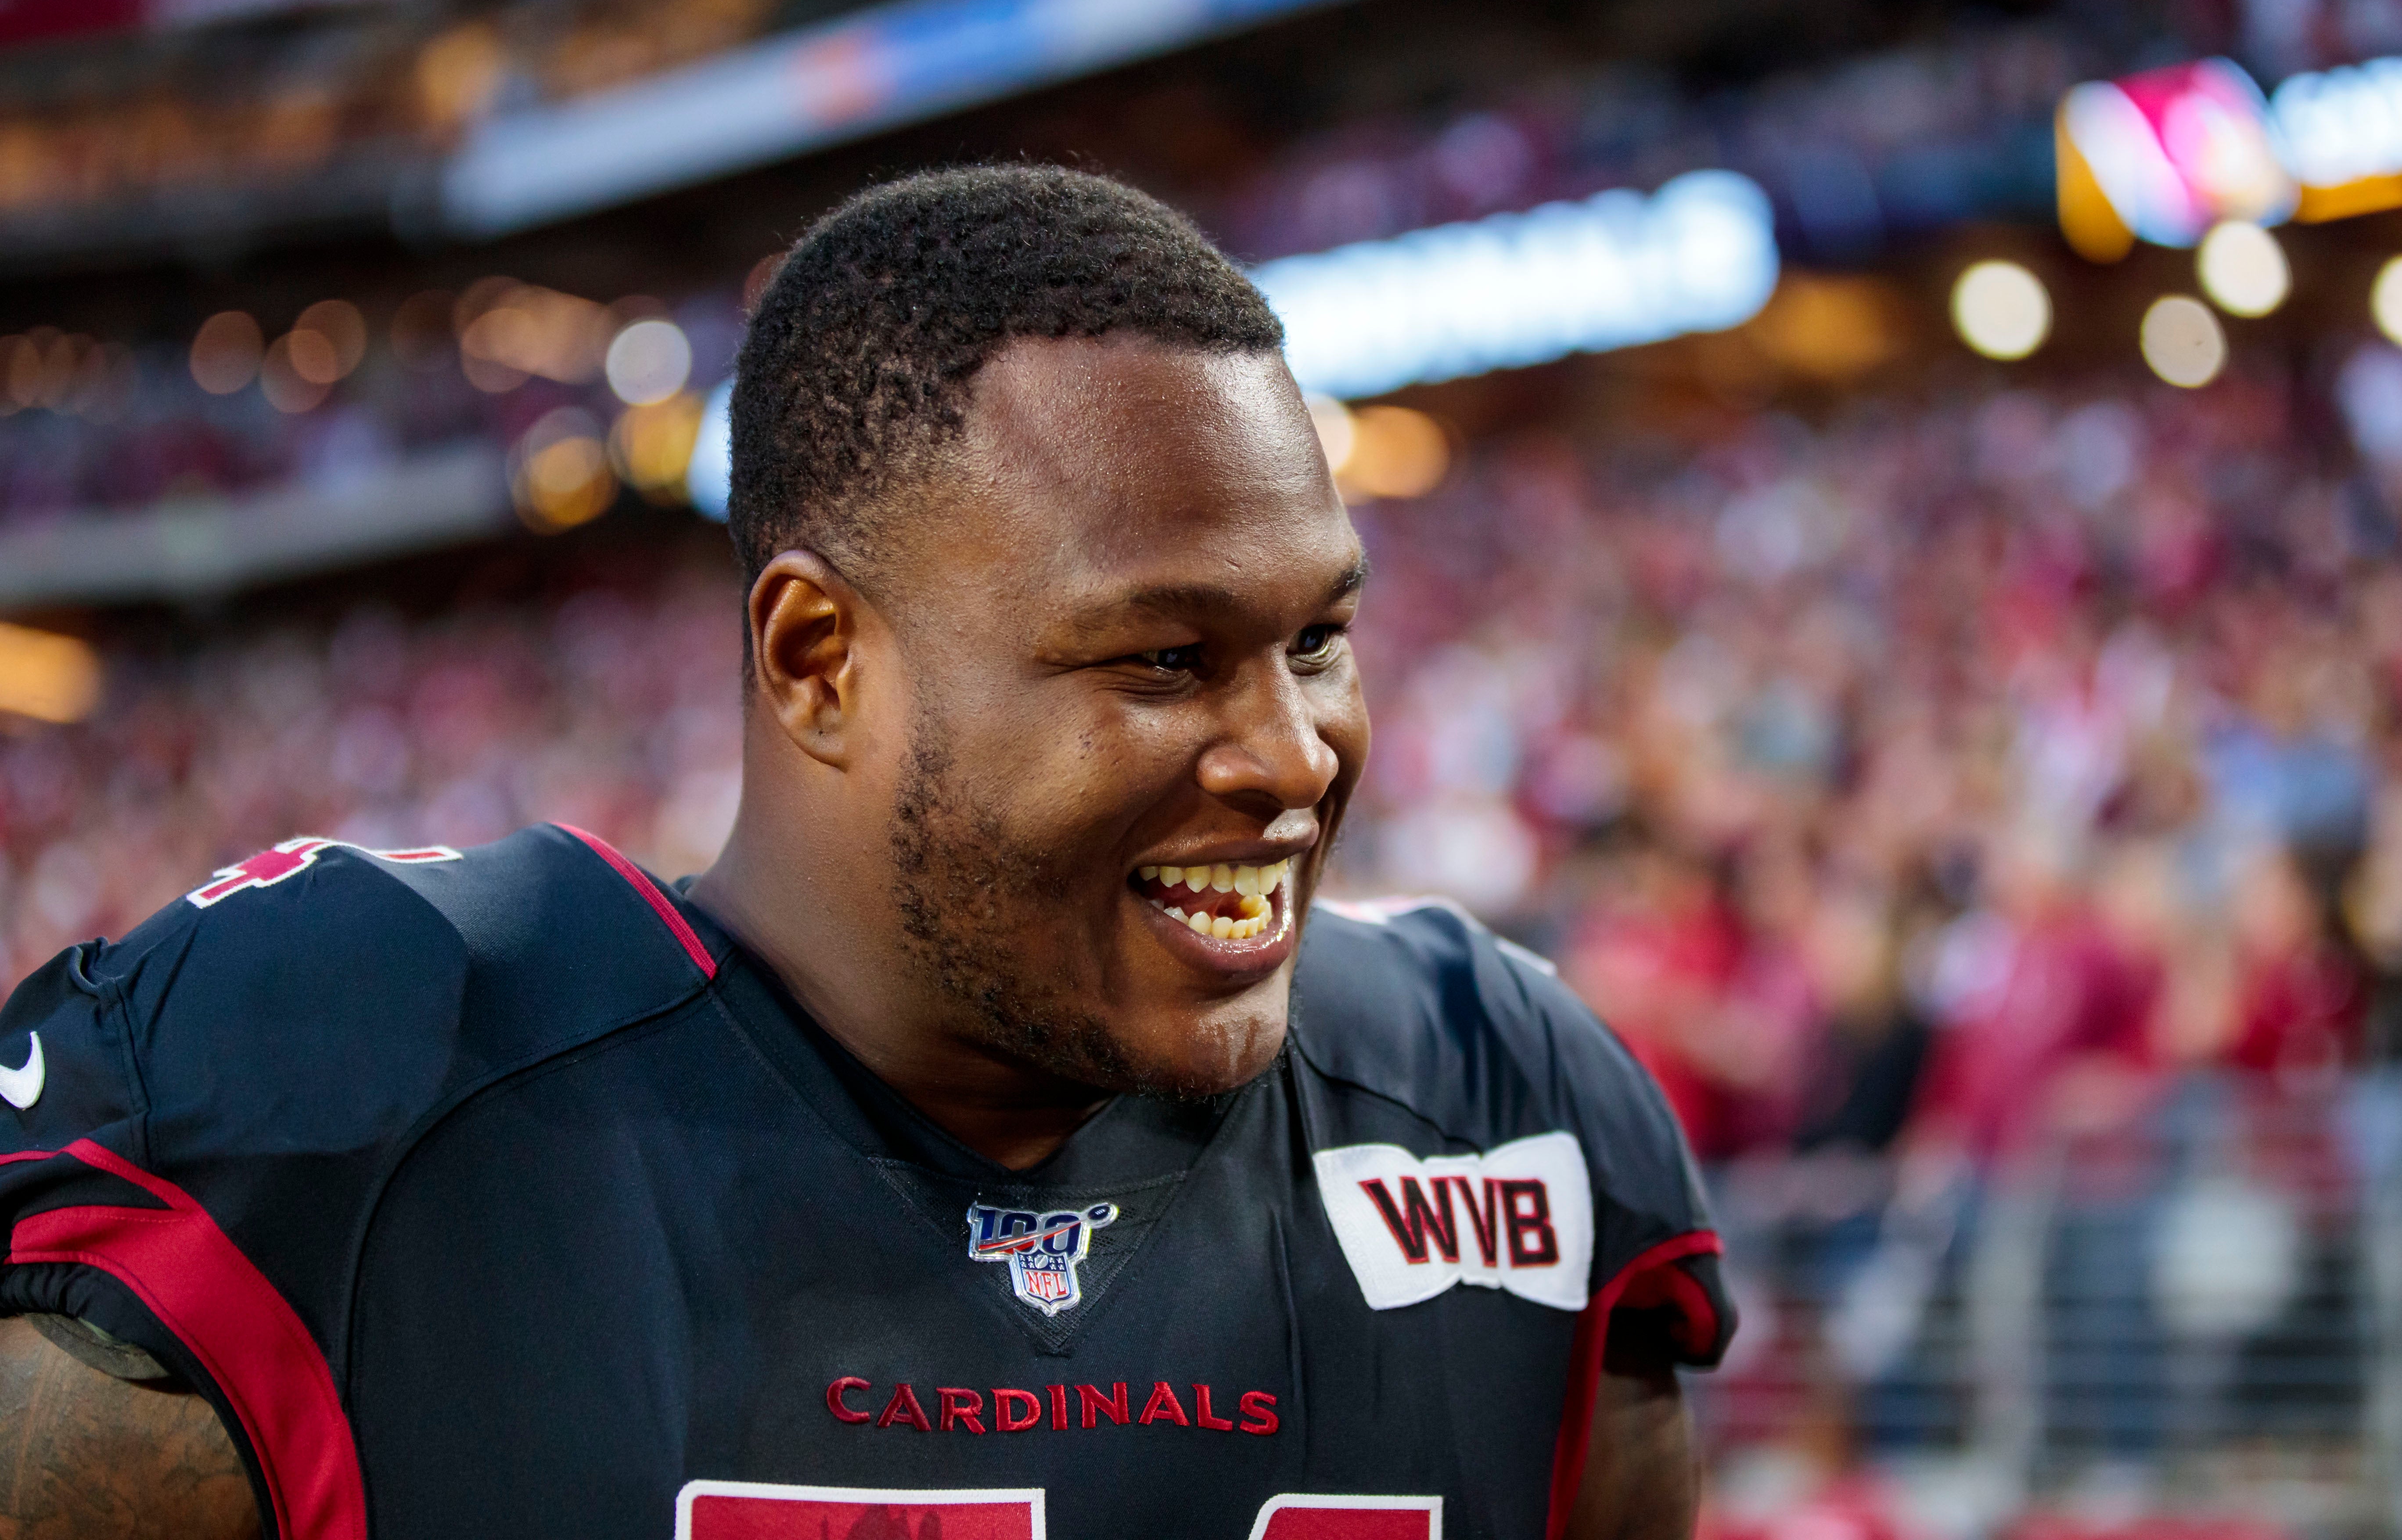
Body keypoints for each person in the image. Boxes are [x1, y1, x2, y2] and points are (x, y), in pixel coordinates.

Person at [0, 166, 1730, 1540]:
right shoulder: (350, 1089)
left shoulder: (1502, 1104)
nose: (1294, 751)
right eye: (1160, 659)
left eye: (1320, 640)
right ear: (821, 659)